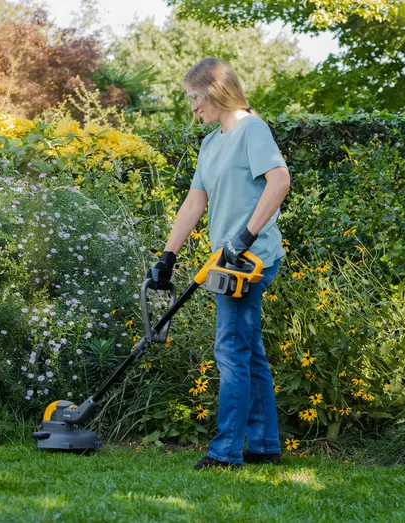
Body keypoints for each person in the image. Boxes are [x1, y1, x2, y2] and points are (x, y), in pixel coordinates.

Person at [147, 57, 291, 470]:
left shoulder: (252, 128)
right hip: (225, 260)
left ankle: (225, 451)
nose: (192, 107)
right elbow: (195, 201)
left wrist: (244, 237)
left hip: (250, 261)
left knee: (230, 349)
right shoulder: (212, 142)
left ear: (214, 90)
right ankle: (264, 444)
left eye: (193, 97)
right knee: (248, 352)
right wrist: (167, 257)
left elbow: (279, 181)